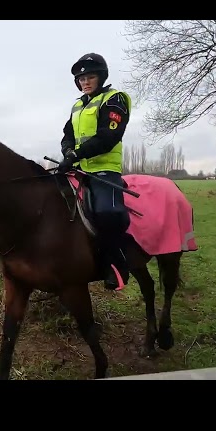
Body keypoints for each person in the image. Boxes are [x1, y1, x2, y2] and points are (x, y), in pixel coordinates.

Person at [57, 52, 132, 290]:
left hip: (104, 170)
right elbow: (67, 135)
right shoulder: (78, 105)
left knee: (107, 212)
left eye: (90, 77)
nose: (85, 82)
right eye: (81, 79)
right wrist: (68, 152)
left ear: (100, 77)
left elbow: (108, 137)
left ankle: (118, 264)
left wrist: (76, 155)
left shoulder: (115, 99)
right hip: (78, 169)